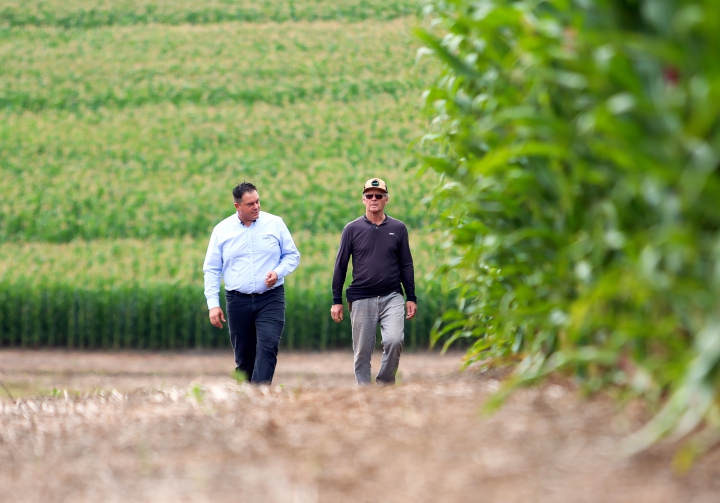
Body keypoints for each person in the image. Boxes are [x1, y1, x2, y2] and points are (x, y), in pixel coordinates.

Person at [203, 182, 300, 384]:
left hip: (271, 298)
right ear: (237, 206)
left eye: (257, 201)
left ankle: (259, 393)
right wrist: (213, 305)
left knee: (268, 345)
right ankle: (245, 396)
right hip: (237, 301)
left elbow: (292, 256)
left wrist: (278, 272)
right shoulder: (222, 230)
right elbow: (212, 269)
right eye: (250, 204)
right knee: (244, 358)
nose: (256, 207)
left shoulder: (275, 224)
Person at [331, 177, 417, 385]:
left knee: (394, 340)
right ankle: (364, 391)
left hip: (392, 296)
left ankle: (385, 384)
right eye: (369, 195)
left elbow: (406, 264)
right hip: (361, 297)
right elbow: (341, 265)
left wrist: (411, 297)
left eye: (379, 196)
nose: (374, 199)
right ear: (363, 199)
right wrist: (336, 300)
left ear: (386, 199)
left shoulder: (398, 228)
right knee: (362, 352)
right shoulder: (352, 229)